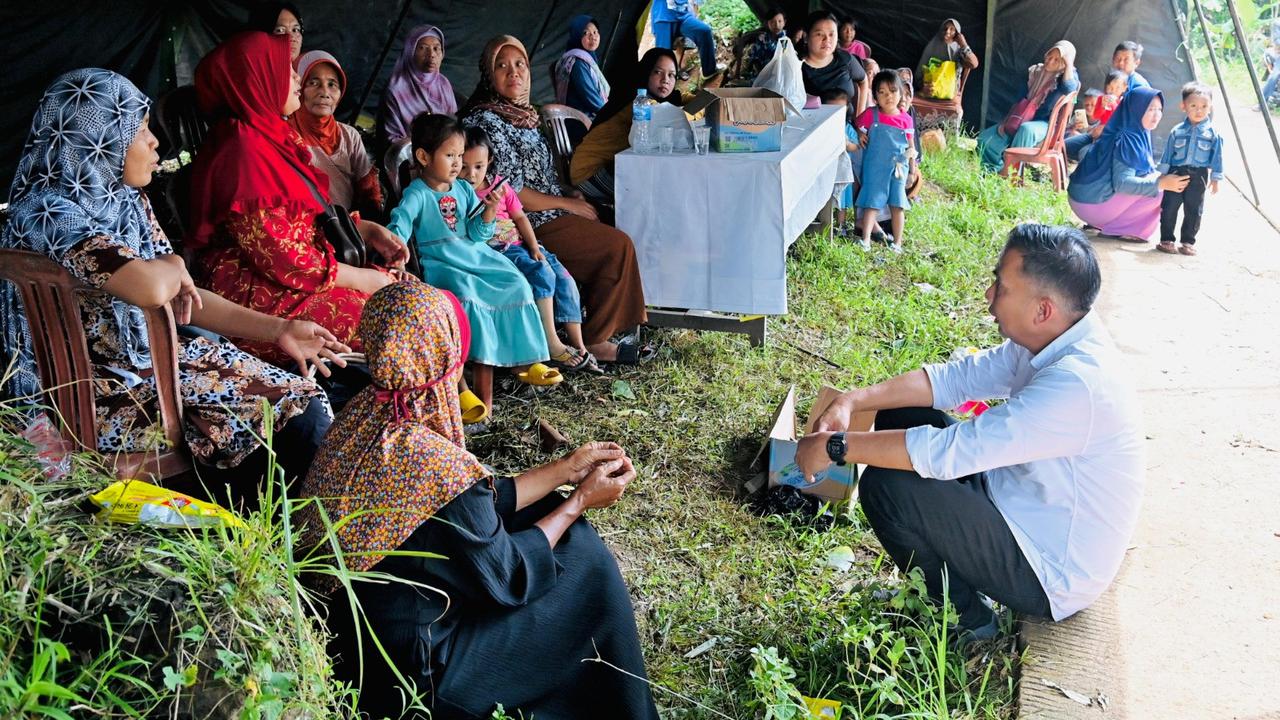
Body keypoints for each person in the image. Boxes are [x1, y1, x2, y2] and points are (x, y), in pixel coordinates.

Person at [295, 281, 659, 720]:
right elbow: (512, 576)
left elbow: (475, 505)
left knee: (542, 514)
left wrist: (564, 469)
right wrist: (578, 501)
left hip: (350, 649)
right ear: (446, 355)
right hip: (419, 680)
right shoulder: (432, 462)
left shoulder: (360, 417)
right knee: (584, 562)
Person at [797, 223, 1144, 640]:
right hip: (1019, 502)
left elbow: (950, 452)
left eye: (1001, 287)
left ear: (1042, 309)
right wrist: (854, 400)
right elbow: (955, 380)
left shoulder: (1078, 385)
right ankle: (950, 592)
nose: (988, 297)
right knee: (903, 411)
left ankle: (968, 621)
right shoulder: (1053, 338)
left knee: (889, 487)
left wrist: (836, 447)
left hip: (1048, 570)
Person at [0, 68, 342, 487]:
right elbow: (150, 287)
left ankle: (269, 524)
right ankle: (271, 529)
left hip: (152, 370)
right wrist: (172, 267)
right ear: (99, 138)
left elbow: (181, 294)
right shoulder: (47, 211)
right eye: (138, 129)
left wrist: (279, 329)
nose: (154, 141)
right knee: (293, 422)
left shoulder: (123, 202)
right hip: (91, 400)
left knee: (299, 401)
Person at [188, 31, 408, 367]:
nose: (295, 77)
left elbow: (304, 220)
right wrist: (360, 278)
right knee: (397, 317)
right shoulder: (242, 150)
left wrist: (364, 230)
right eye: (284, 68)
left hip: (294, 276)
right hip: (253, 294)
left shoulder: (269, 137)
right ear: (257, 78)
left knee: (410, 296)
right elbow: (283, 258)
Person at [461, 35, 650, 365]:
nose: (513, 73)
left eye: (519, 64)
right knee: (615, 246)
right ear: (488, 75)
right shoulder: (485, 121)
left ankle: (594, 321)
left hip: (546, 209)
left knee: (616, 221)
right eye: (501, 66)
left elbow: (542, 175)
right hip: (520, 224)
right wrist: (566, 204)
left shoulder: (524, 115)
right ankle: (596, 339)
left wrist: (566, 192)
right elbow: (511, 192)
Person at [387, 114, 561, 384]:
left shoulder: (464, 190)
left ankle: (526, 361)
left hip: (476, 255)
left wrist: (490, 211)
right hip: (443, 262)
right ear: (423, 157)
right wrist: (395, 252)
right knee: (468, 294)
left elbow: (479, 235)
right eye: (450, 156)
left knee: (515, 281)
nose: (458, 164)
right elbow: (401, 223)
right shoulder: (417, 193)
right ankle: (481, 361)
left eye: (460, 155)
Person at [460, 127, 598, 372]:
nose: (471, 175)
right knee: (542, 274)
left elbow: (520, 218)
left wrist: (534, 246)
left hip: (522, 244)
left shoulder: (501, 187)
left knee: (563, 277)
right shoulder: (462, 194)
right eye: (464, 166)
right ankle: (551, 343)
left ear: (489, 160)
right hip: (500, 250)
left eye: (478, 166)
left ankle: (579, 344)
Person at [1067, 87, 1190, 243]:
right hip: (1091, 206)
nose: (1156, 114)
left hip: (1081, 199)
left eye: (1159, 109)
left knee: (1155, 179)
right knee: (1160, 189)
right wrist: (1161, 183)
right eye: (1150, 109)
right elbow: (1122, 184)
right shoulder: (1128, 139)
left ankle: (1109, 223)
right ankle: (1124, 230)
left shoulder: (1125, 128)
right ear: (1135, 109)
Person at [571, 48, 683, 207]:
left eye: (672, 75)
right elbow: (672, 116)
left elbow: (678, 102)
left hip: (609, 166)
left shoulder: (638, 96)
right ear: (646, 71)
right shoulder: (638, 103)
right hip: (589, 173)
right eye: (658, 72)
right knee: (656, 194)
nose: (665, 80)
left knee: (660, 187)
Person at [290, 51, 382, 218]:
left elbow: (368, 191)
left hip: (347, 228)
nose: (324, 92)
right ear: (299, 87)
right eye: (313, 82)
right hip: (305, 227)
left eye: (332, 84)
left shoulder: (349, 136)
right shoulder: (287, 134)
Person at [976, 41, 1079, 172]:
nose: (1050, 61)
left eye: (1057, 59)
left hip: (1045, 124)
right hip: (1022, 116)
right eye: (1049, 56)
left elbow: (1070, 89)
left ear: (1064, 62)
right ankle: (992, 169)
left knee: (1026, 130)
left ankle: (1010, 172)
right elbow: (1019, 99)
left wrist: (1069, 64)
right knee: (985, 138)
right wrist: (1010, 120)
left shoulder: (1068, 76)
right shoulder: (1035, 71)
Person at [1156, 82, 1223, 256]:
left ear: (1210, 107)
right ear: (1183, 106)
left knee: (1194, 209)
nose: (1199, 110)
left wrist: (1216, 178)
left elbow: (1217, 157)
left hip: (1199, 175)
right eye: (1193, 106)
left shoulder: (1213, 133)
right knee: (1170, 206)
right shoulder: (1176, 131)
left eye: (1204, 106)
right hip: (1176, 173)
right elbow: (1167, 154)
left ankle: (1187, 242)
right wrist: (1162, 175)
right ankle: (1166, 239)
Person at [853, 70, 916, 253]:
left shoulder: (906, 120)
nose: (888, 96)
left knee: (897, 204)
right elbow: (856, 124)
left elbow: (911, 146)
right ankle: (865, 239)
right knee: (871, 200)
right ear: (875, 97)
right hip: (874, 167)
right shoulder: (871, 115)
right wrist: (860, 134)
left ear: (901, 94)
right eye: (882, 92)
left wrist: (912, 171)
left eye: (893, 91)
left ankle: (898, 243)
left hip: (898, 168)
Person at [380, 25, 458, 146]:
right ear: (410, 52)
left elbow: (453, 126)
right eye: (423, 48)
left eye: (437, 48)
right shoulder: (396, 89)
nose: (431, 54)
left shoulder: (443, 83)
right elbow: (393, 139)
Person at [800, 11, 867, 108]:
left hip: (846, 122)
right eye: (819, 34)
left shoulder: (845, 59)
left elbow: (863, 80)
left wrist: (860, 114)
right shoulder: (797, 68)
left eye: (831, 34)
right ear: (806, 37)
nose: (827, 39)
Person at [554, 15, 611, 121]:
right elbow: (592, 100)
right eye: (586, 33)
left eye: (595, 32)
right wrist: (610, 113)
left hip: (585, 117)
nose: (593, 37)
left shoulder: (587, 59)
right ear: (577, 35)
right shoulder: (578, 63)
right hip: (582, 122)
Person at [651, 0, 721, 83]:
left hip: (682, 14)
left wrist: (693, 12)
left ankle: (709, 70)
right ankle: (658, 87)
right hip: (663, 16)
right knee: (662, 57)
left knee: (704, 31)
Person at [1066, 70, 1127, 162]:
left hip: (1108, 138)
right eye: (1110, 87)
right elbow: (1097, 115)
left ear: (1124, 88)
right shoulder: (1101, 99)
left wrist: (1113, 105)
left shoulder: (1124, 104)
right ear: (1105, 86)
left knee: (1085, 152)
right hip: (1095, 134)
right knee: (1065, 144)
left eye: (1117, 88)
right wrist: (1102, 105)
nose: (1113, 91)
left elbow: (1117, 120)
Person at [915, 19, 978, 101]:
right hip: (931, 90)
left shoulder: (959, 49)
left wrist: (964, 45)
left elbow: (974, 64)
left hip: (951, 91)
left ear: (957, 34)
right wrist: (924, 87)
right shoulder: (933, 46)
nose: (947, 31)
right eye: (945, 28)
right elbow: (919, 73)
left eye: (952, 29)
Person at [733, 6, 787, 83]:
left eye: (779, 21)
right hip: (761, 74)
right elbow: (754, 57)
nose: (776, 25)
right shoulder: (762, 38)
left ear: (784, 22)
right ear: (767, 23)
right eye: (772, 22)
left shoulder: (785, 39)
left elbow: (785, 59)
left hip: (779, 76)